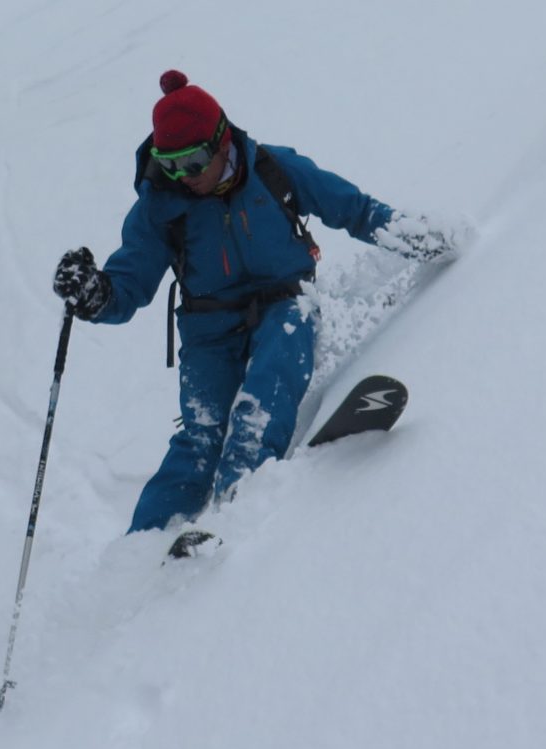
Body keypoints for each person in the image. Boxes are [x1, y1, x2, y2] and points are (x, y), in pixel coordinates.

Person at [53, 71, 458, 536]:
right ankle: (141, 553)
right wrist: (95, 295)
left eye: (195, 160)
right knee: (199, 436)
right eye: (171, 165)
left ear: (223, 139)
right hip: (208, 330)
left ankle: (237, 505)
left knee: (265, 391)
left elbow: (356, 210)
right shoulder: (159, 207)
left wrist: (416, 236)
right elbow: (129, 283)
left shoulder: (274, 170)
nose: (186, 176)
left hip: (283, 304)